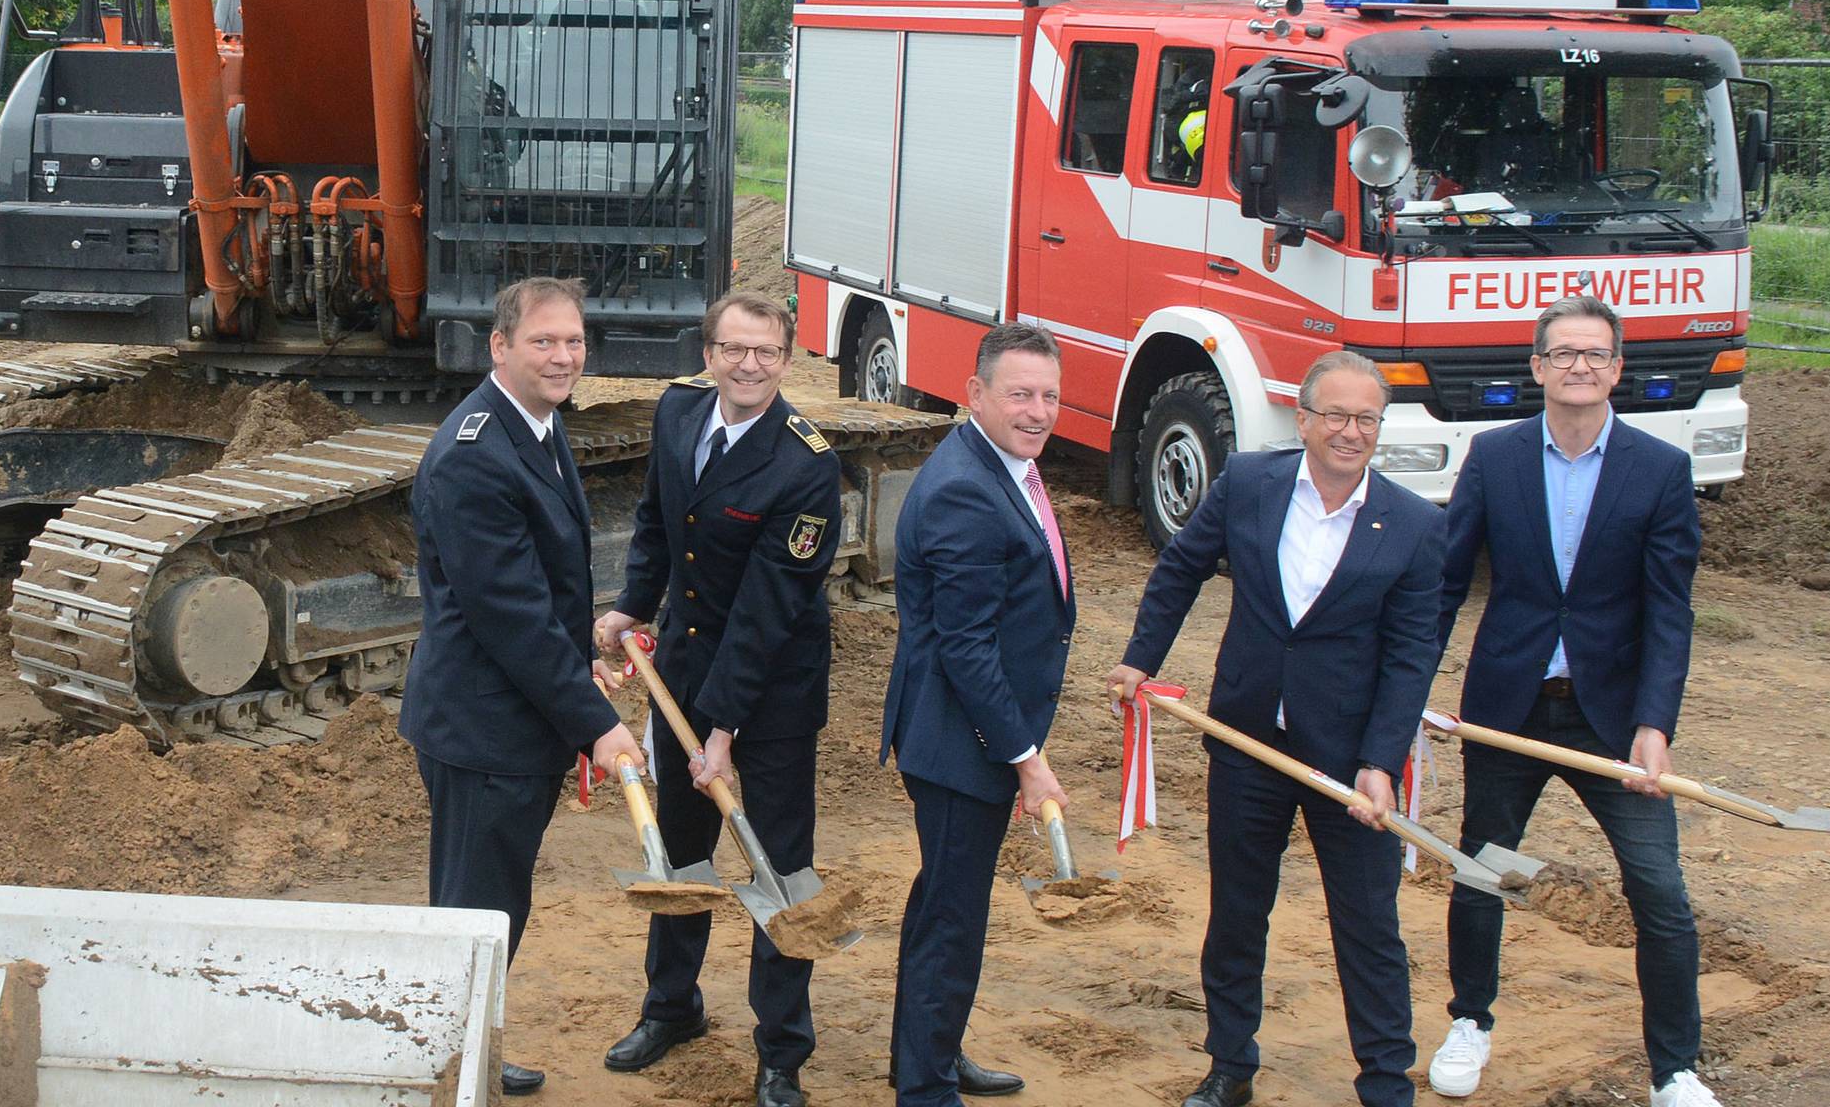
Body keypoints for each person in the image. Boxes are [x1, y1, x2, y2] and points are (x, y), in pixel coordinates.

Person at [1109, 351, 1447, 1107]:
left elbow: (1411, 655)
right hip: (1248, 741)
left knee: (1368, 924)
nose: (1350, 432)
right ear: (1303, 418)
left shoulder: (1418, 525)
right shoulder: (1251, 483)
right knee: (1237, 910)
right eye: (1335, 414)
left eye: (1367, 418)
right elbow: (1180, 569)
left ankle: (1386, 1080)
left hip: (1350, 758)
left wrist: (1382, 761)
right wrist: (1140, 661)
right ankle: (1231, 1064)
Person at [1427, 295, 1713, 1107]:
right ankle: (1470, 1023)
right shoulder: (1494, 457)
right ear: (1538, 368)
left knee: (1657, 887)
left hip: (1612, 718)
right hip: (1507, 708)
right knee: (1486, 867)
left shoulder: (1659, 470)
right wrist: (1409, 694)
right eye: (1563, 353)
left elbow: (1669, 612)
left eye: (1595, 354)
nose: (1579, 366)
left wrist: (1654, 727)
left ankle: (1676, 1069)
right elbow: (1445, 587)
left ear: (1617, 369)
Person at [591, 294, 841, 1107]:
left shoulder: (806, 464)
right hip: (684, 679)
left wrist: (724, 728)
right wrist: (634, 601)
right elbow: (660, 526)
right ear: (709, 352)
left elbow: (771, 609)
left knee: (778, 867)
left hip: (769, 698)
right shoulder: (678, 412)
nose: (748, 366)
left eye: (766, 352)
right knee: (682, 851)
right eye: (733, 349)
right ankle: (671, 1007)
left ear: (789, 359)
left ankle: (782, 1050)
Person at [400, 276, 646, 1098]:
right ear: (499, 346)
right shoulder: (477, 456)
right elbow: (507, 616)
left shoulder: (533, 426)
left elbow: (538, 588)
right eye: (544, 341)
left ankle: (465, 1046)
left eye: (573, 341)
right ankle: (447, 1070)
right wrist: (598, 723)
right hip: (485, 730)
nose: (564, 355)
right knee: (476, 918)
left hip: (510, 718)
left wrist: (583, 649)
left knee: (491, 913)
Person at [879, 323, 1075, 1106]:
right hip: (962, 743)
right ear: (976, 395)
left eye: (1050, 395)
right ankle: (925, 1088)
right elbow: (967, 649)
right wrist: (1026, 758)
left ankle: (930, 1055)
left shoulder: (1002, 465)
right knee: (951, 919)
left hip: (968, 737)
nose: (1038, 411)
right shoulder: (967, 486)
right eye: (1020, 394)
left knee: (946, 907)